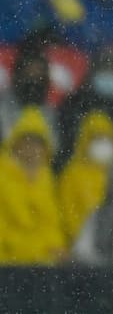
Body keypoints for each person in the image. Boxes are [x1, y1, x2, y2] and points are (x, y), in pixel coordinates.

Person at [0, 106, 66, 263]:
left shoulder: (47, 179)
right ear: (15, 144)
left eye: (38, 143)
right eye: (27, 142)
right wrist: (36, 249)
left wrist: (56, 247)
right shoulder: (3, 176)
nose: (32, 149)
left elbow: (52, 223)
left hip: (42, 264)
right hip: (8, 265)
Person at [57, 111, 113, 244]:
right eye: (97, 138)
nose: (103, 143)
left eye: (107, 138)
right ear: (86, 141)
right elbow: (67, 216)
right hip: (82, 249)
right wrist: (84, 243)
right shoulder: (72, 174)